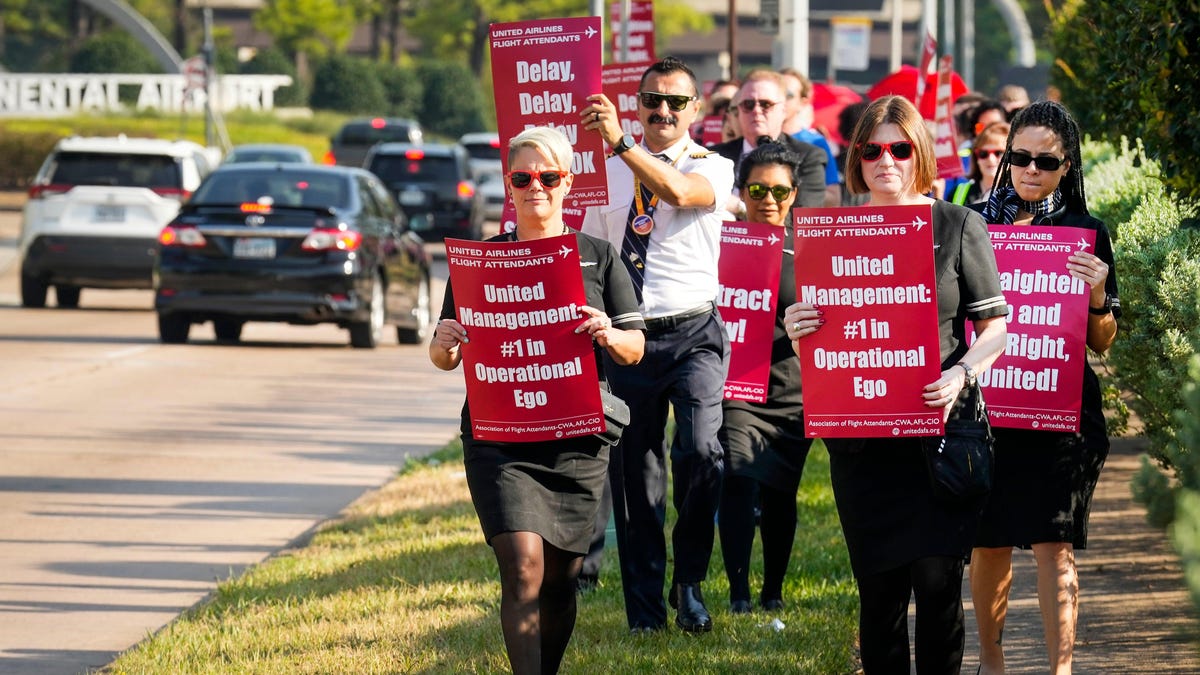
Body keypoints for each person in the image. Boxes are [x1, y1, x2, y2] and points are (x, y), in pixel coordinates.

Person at [783, 95, 1009, 673]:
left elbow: (996, 329)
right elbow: (819, 329)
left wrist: (961, 373)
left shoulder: (958, 224)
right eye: (872, 149)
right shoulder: (830, 233)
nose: (886, 160)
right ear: (856, 158)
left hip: (939, 434)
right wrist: (797, 324)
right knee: (880, 598)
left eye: (900, 148)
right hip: (861, 441)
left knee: (937, 588)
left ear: (921, 153)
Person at [429, 126, 646, 673]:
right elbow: (444, 354)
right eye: (522, 178)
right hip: (500, 437)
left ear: (567, 182)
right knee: (523, 567)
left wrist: (608, 332)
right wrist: (443, 346)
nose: (535, 188)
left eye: (547, 177)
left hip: (577, 438)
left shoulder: (598, 256)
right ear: (509, 184)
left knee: (559, 579)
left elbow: (634, 349)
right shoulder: (480, 263)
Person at [580, 55, 734, 634]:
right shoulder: (603, 171)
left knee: (702, 452)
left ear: (695, 108)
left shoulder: (712, 166)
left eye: (675, 101)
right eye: (652, 100)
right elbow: (590, 253)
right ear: (636, 104)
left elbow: (674, 191)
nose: (662, 111)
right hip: (629, 336)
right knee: (636, 478)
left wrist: (621, 143)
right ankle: (645, 612)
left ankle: (688, 579)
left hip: (693, 331)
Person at [970, 100, 1120, 675]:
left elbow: (1102, 341)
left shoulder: (1087, 233)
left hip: (1062, 414)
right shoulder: (975, 224)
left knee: (1054, 546)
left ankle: (1060, 670)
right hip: (989, 410)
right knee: (990, 544)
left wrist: (1100, 296)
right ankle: (992, 662)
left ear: (1067, 166)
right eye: (1020, 158)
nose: (1031, 171)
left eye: (1046, 162)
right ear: (1006, 160)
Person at [716, 142, 813, 615]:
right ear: (742, 191)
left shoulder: (810, 252)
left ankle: (772, 591)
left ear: (794, 194)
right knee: (736, 477)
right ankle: (738, 595)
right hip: (736, 387)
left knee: (780, 493)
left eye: (778, 190)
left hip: (793, 391)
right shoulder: (720, 243)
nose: (768, 199)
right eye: (757, 189)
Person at [709, 69, 827, 217]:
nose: (756, 111)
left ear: (783, 110)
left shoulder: (808, 157)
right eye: (748, 104)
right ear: (738, 110)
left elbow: (803, 223)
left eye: (766, 104)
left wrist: (741, 208)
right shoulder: (714, 157)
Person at [779, 68, 841, 206]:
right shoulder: (756, 137)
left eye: (788, 95)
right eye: (777, 92)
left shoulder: (815, 142)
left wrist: (785, 191)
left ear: (803, 102)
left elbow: (834, 198)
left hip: (799, 224)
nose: (781, 99)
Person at [950, 122, 1010, 205]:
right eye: (983, 154)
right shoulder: (958, 193)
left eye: (999, 153)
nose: (990, 159)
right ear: (976, 157)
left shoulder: (1021, 195)